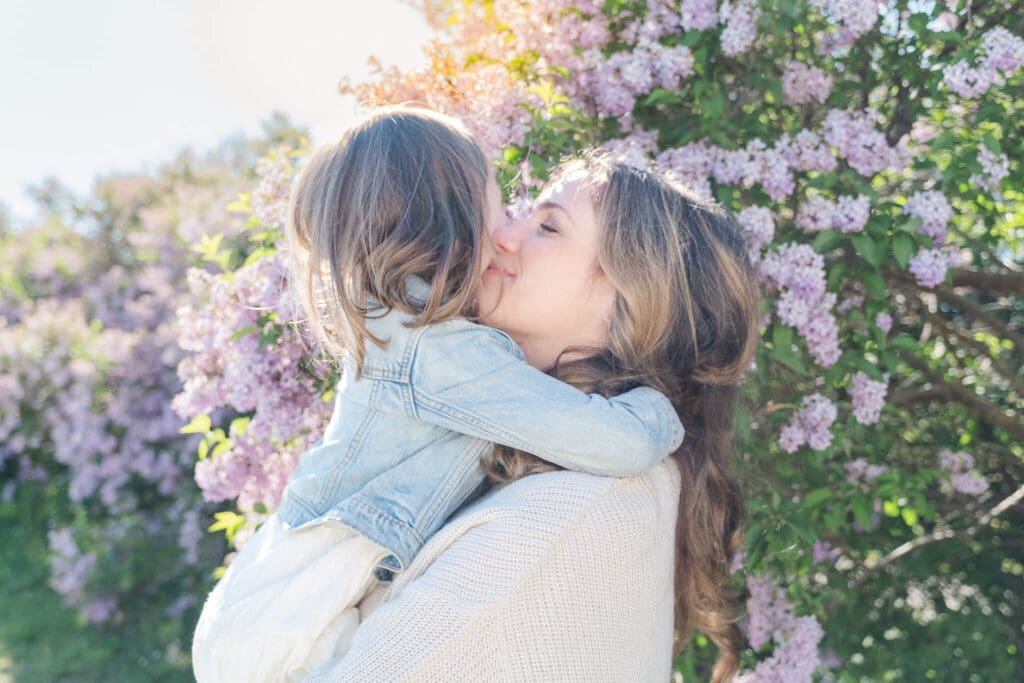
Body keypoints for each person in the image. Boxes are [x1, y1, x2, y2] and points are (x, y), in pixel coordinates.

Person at [191, 107, 684, 682]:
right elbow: (619, 443)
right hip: (291, 611)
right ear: (452, 215)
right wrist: (660, 407)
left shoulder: (410, 330)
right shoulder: (438, 351)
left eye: (543, 225)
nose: (507, 232)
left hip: (269, 597)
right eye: (499, 203)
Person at [303, 151, 763, 683]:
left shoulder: (567, 512)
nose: (501, 235)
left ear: (634, 299)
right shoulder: (558, 469)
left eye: (548, 226)